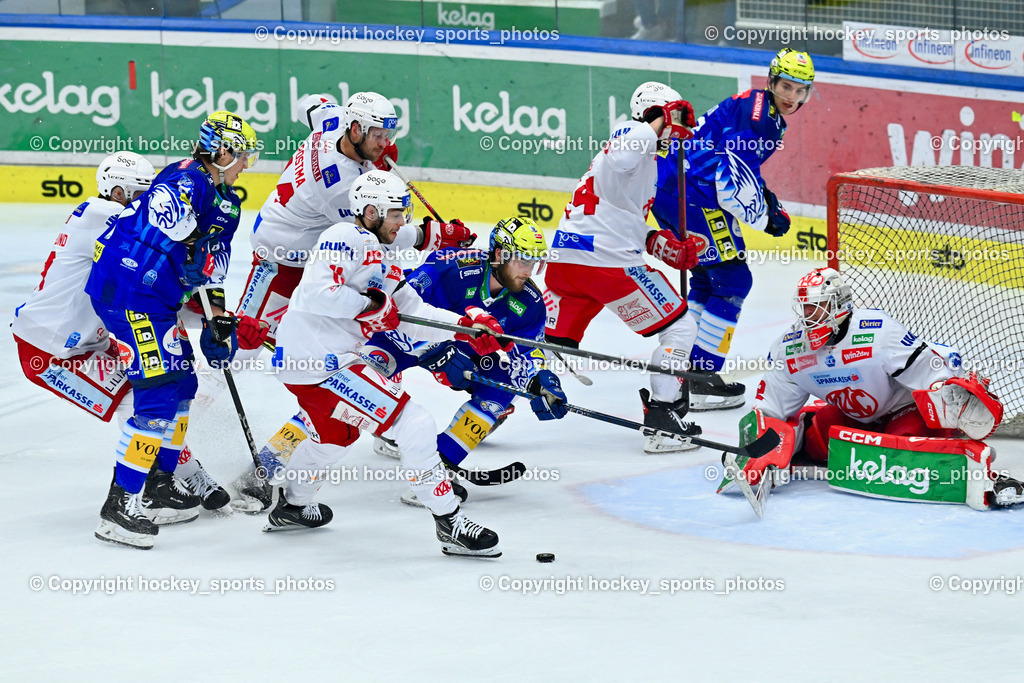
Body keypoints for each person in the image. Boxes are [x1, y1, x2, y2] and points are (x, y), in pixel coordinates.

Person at [223, 92, 474, 507]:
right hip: (284, 258)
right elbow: (378, 235)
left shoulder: (333, 122)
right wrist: (434, 236)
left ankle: (382, 420)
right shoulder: (341, 188)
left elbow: (311, 101)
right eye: (377, 133)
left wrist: (369, 142)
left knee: (360, 364)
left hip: (317, 261)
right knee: (239, 350)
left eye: (388, 133)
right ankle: (181, 433)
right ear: (355, 129)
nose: (384, 141)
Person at [263, 169, 505, 557]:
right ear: (371, 211)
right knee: (414, 422)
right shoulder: (344, 236)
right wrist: (371, 306)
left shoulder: (386, 257)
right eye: (396, 214)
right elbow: (317, 292)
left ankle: (291, 506)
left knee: (333, 438)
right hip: (321, 361)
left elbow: (412, 311)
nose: (402, 222)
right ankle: (449, 521)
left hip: (315, 363)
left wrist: (465, 326)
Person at [11, 152, 231, 522]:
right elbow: (166, 243)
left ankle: (176, 476)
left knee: (167, 386)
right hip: (51, 349)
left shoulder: (117, 220)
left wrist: (215, 318)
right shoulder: (101, 213)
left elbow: (153, 291)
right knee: (141, 399)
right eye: (140, 194)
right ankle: (152, 491)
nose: (152, 204)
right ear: (116, 191)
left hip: (92, 338)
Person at [85, 111, 258, 549]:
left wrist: (218, 319)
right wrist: (193, 249)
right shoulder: (183, 180)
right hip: (127, 294)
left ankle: (161, 483)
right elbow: (171, 226)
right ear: (220, 151)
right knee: (159, 392)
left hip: (159, 302)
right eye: (241, 156)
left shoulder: (228, 201)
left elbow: (214, 263)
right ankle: (120, 506)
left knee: (184, 383)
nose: (246, 165)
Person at [720, 267, 1023, 509]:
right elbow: (772, 408)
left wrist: (952, 394)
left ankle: (976, 473)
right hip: (855, 415)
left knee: (903, 446)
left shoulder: (877, 332)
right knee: (813, 444)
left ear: (839, 305)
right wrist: (754, 448)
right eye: (807, 311)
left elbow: (930, 372)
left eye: (819, 309)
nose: (811, 320)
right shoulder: (791, 349)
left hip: (904, 408)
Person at [650, 47, 815, 412]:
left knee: (709, 280)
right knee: (733, 281)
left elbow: (740, 166)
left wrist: (768, 202)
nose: (792, 97)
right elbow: (732, 177)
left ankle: (680, 370)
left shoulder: (756, 106)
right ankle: (701, 380)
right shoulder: (763, 117)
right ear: (772, 81)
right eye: (786, 86)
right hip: (693, 195)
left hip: (670, 186)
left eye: (801, 90)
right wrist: (767, 214)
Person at [543, 80, 702, 453]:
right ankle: (663, 419)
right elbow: (623, 155)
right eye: (669, 119)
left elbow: (618, 216)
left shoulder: (640, 157)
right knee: (680, 328)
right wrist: (656, 122)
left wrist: (656, 242)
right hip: (605, 266)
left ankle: (490, 400)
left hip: (568, 264)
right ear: (652, 115)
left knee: (553, 345)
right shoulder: (630, 133)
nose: (675, 131)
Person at [365, 216, 568, 504]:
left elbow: (528, 353)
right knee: (356, 379)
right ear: (500, 254)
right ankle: (296, 449)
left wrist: (539, 379)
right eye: (523, 260)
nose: (529, 271)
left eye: (535, 262)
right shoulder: (451, 266)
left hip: (464, 348)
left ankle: (437, 470)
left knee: (505, 386)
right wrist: (432, 351)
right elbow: (394, 312)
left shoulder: (531, 304)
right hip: (407, 338)